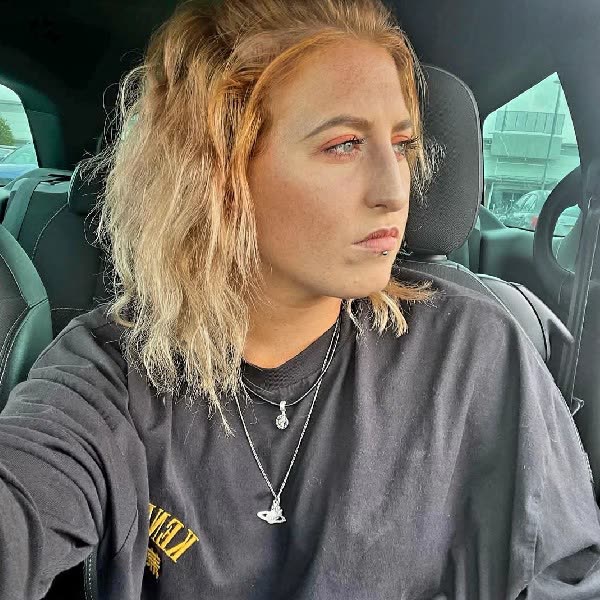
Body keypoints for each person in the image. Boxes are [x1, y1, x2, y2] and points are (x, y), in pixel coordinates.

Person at [1, 0, 600, 598]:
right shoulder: (109, 373)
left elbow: (563, 579)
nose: (395, 191)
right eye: (344, 144)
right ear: (219, 173)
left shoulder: (472, 353)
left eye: (400, 144)